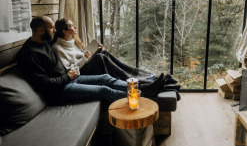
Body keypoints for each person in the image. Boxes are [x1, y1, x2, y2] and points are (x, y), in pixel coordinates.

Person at [17, 16, 165, 104]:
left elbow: (63, 62)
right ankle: (143, 95)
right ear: (41, 30)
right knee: (103, 90)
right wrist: (68, 76)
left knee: (106, 78)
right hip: (58, 91)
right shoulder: (30, 53)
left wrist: (71, 72)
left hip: (69, 79)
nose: (54, 30)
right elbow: (44, 84)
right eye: (51, 28)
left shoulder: (44, 43)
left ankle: (143, 87)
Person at [51, 18, 179, 88]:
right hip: (80, 73)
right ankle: (135, 82)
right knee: (101, 58)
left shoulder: (73, 41)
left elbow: (81, 55)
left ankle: (153, 77)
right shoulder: (57, 48)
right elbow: (69, 69)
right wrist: (84, 58)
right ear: (64, 30)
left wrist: (93, 49)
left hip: (86, 65)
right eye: (72, 25)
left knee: (103, 53)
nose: (75, 27)